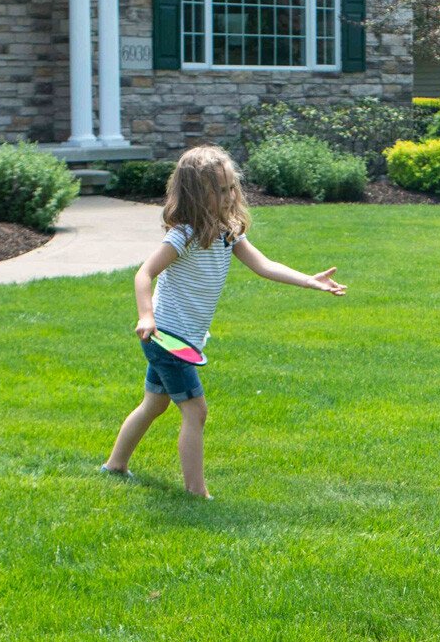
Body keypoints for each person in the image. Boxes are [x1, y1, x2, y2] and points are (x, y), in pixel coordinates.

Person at [102, 145, 346, 498]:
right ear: (195, 194)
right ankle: (196, 492)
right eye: (219, 190)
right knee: (196, 411)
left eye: (232, 187)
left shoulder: (227, 231)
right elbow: (144, 274)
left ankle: (115, 465)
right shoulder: (183, 235)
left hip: (184, 338)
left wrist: (308, 280)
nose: (230, 195)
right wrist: (146, 316)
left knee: (154, 404)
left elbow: (263, 264)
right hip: (167, 337)